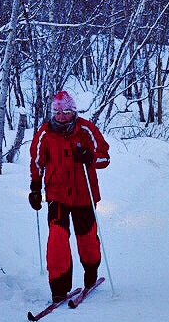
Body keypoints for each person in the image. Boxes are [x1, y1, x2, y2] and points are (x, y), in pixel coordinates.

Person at [28, 90, 110, 302]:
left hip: (84, 193)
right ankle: (59, 287)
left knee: (87, 239)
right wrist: (35, 188)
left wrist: (90, 157)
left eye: (66, 111)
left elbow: (104, 157)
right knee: (57, 240)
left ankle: (91, 273)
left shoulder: (85, 129)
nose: (62, 116)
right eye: (57, 112)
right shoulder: (45, 133)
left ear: (73, 111)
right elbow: (37, 161)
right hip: (57, 194)